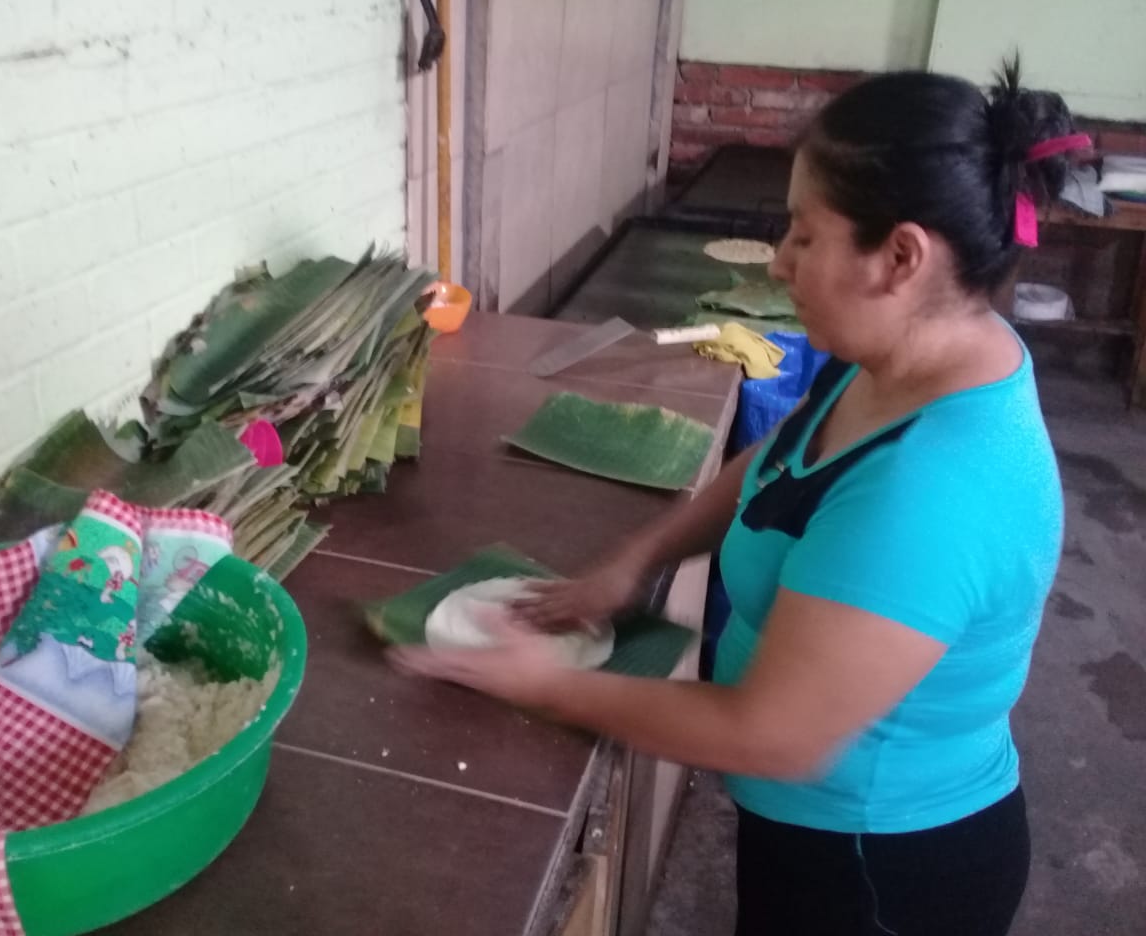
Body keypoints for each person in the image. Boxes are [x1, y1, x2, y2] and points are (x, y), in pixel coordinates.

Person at [391, 58, 1077, 936]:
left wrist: (541, 682)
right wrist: (636, 557)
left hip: (876, 870)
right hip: (804, 823)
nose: (783, 263)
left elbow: (771, 733)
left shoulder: (933, 490)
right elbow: (777, 466)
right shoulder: (912, 353)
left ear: (900, 256)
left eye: (802, 235)